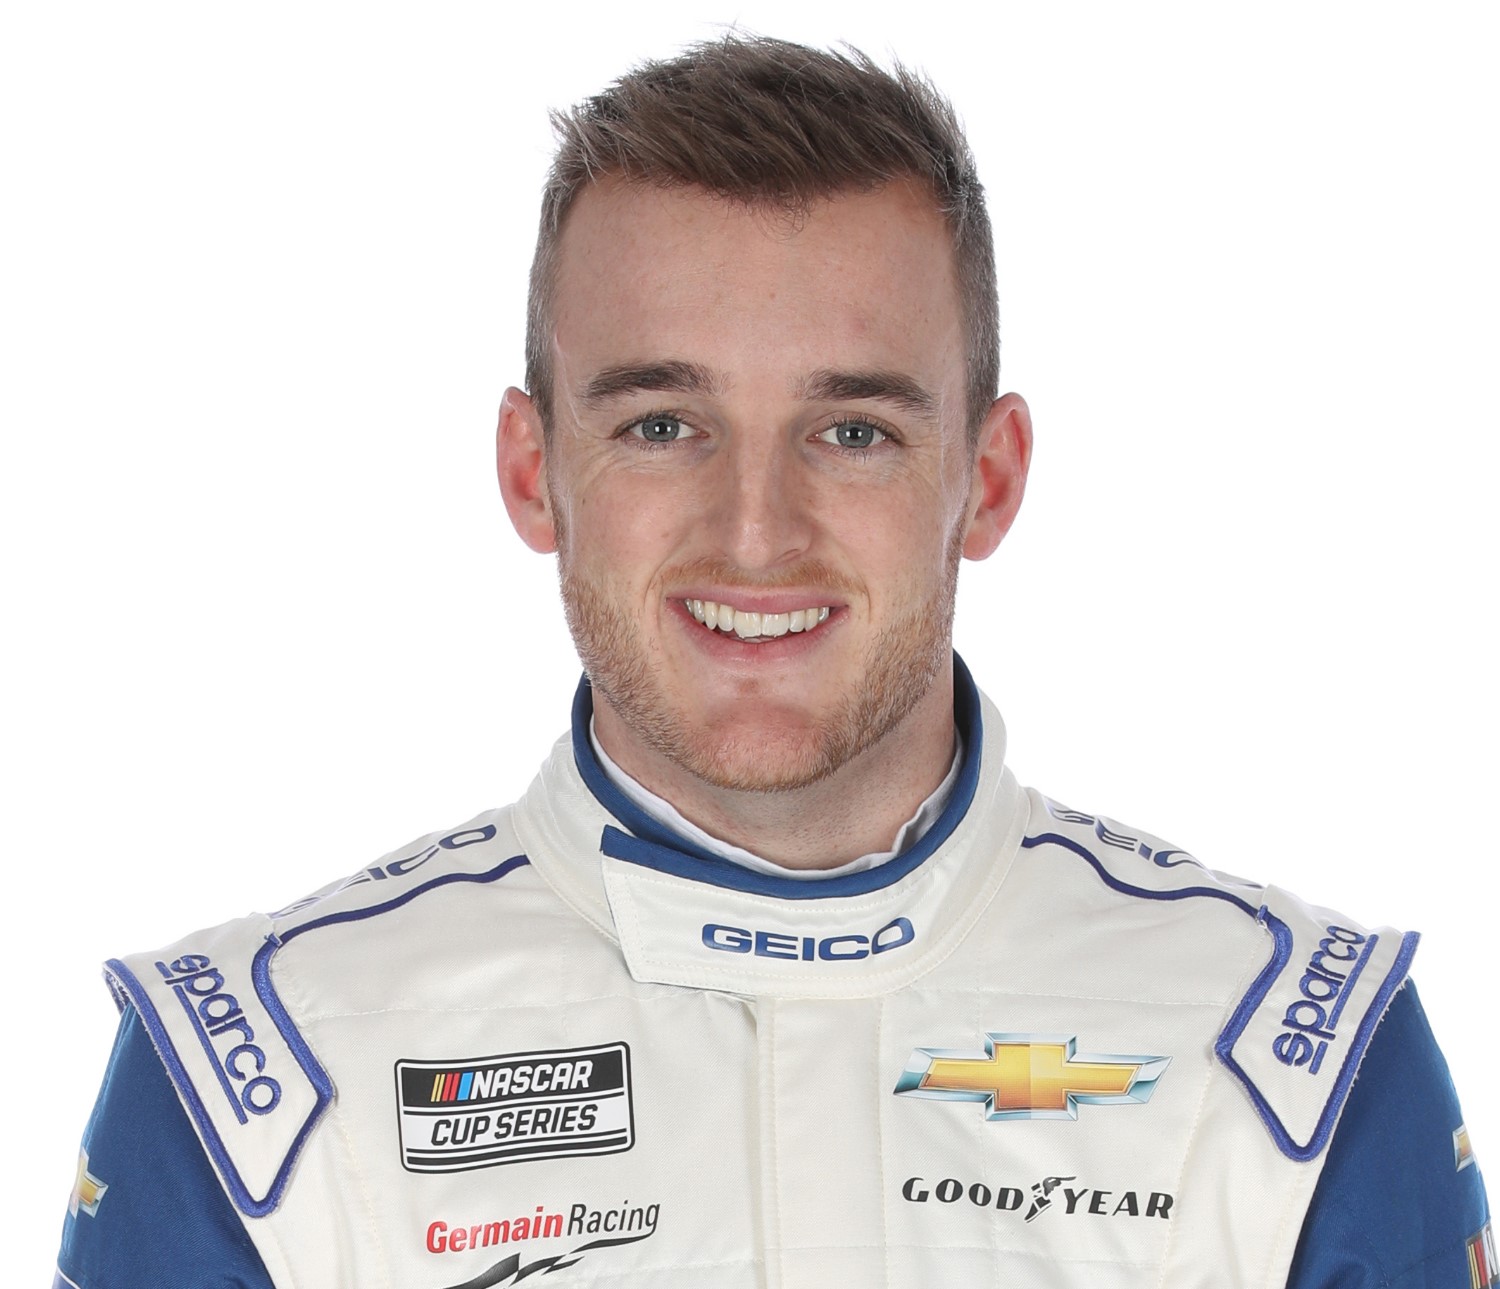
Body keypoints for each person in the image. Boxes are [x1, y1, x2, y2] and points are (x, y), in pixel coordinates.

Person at [55, 36, 1490, 1289]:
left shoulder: (1294, 1058)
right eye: (663, 424)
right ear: (532, 467)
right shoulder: (256, 1089)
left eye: (852, 430)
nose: (758, 532)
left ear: (986, 479)